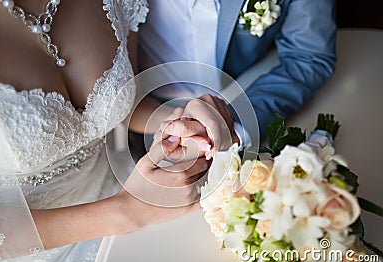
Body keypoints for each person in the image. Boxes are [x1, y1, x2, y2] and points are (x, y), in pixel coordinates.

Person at [0, 0, 228, 262]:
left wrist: (177, 123)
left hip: (139, 199)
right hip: (35, 251)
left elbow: (123, 102)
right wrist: (125, 210)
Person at [129, 0, 337, 152]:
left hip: (246, 96)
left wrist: (236, 124)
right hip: (147, 124)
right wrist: (177, 125)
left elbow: (308, 57)